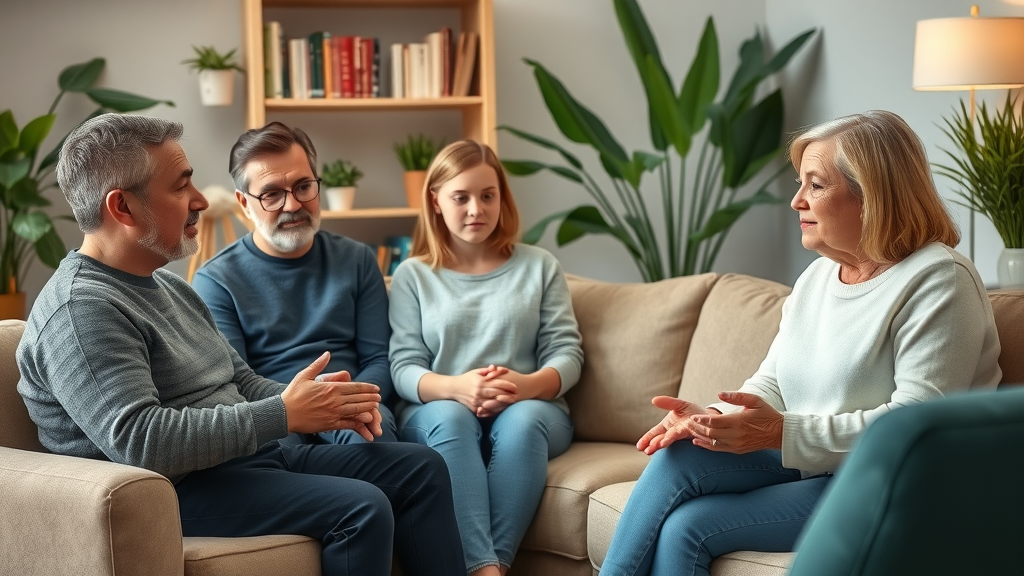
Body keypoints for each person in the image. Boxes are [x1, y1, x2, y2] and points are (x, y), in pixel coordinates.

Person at [16, 113, 466, 576]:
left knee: (421, 468)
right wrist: (286, 413)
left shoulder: (170, 288)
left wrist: (328, 403)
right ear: (123, 208)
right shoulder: (80, 310)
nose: (198, 201)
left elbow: (240, 380)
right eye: (180, 186)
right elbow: (141, 440)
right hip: (177, 488)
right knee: (362, 508)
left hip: (243, 461)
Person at [597, 110, 1002, 576]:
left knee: (689, 526)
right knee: (683, 451)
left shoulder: (939, 281)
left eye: (816, 185)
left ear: (871, 196)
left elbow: (916, 427)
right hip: (818, 462)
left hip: (894, 484)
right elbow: (772, 381)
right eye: (800, 183)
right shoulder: (818, 277)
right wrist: (714, 418)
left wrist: (778, 433)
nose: (796, 202)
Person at [388, 139, 584, 576]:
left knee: (524, 420)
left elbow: (567, 353)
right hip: (439, 408)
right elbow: (403, 366)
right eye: (461, 197)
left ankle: (488, 566)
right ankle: (486, 570)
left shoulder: (540, 266)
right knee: (453, 419)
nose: (476, 208)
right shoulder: (413, 274)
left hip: (532, 408)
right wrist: (458, 388)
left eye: (487, 195)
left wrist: (523, 386)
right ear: (436, 201)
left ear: (502, 198)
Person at [192, 121, 397, 444]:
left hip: (355, 401)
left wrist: (345, 401)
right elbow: (234, 382)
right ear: (244, 203)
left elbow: (379, 359)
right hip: (276, 413)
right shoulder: (215, 281)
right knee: (279, 457)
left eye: (303, 187)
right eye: (272, 195)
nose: (293, 205)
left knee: (371, 439)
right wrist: (306, 408)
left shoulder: (357, 259)